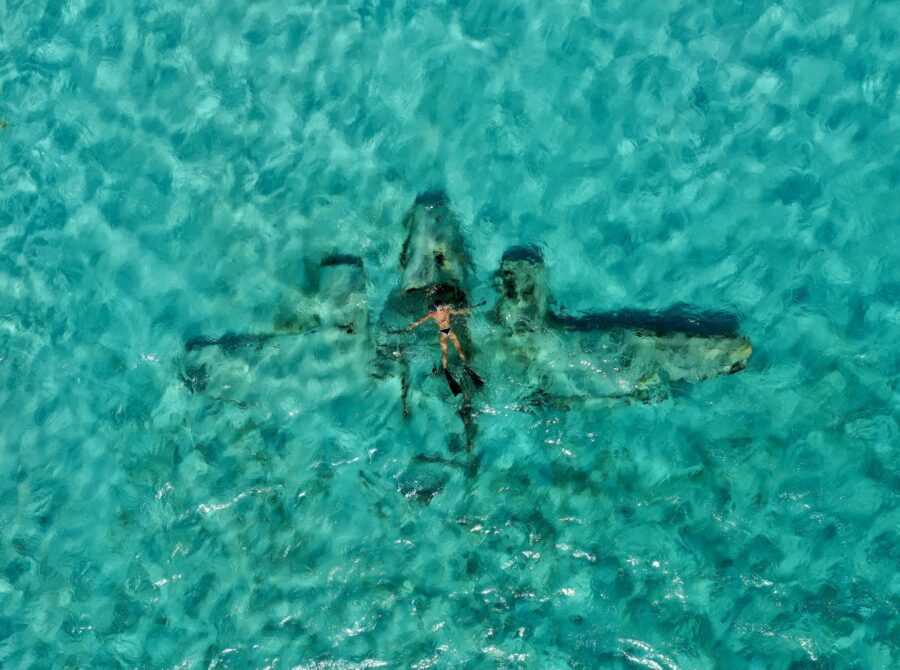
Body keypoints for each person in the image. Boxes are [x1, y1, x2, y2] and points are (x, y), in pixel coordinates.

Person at [408, 303, 484, 393]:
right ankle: (465, 364)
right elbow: (458, 312)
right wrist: (468, 310)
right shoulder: (446, 310)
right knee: (458, 349)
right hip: (449, 330)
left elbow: (422, 320)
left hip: (443, 332)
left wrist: (413, 325)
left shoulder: (433, 314)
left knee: (445, 352)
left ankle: (445, 369)